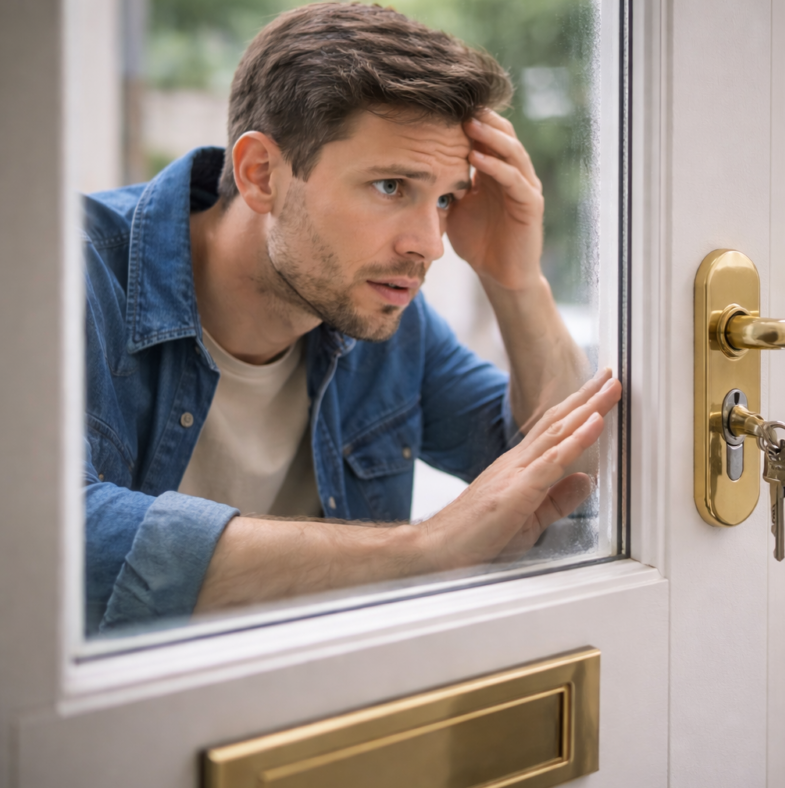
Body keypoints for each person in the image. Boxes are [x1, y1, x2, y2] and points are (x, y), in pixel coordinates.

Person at [83, 3, 621, 635]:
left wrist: (517, 283)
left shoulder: (388, 321)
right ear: (261, 174)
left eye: (444, 198)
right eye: (392, 186)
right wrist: (425, 550)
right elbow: (51, 539)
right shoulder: (61, 276)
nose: (429, 244)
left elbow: (572, 488)